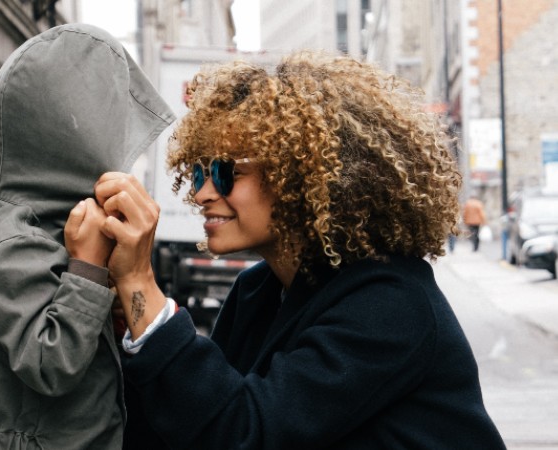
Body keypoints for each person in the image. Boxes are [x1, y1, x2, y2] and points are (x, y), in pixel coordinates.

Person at [89, 51, 506, 449]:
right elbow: (188, 429)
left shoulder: (392, 305)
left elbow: (244, 434)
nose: (201, 193)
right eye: (198, 171)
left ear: (302, 179)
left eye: (226, 172)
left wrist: (141, 283)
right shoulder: (257, 291)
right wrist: (130, 329)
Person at [0, 24, 174, 449]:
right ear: (75, 138)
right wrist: (86, 270)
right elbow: (50, 362)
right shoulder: (19, 237)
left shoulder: (49, 224)